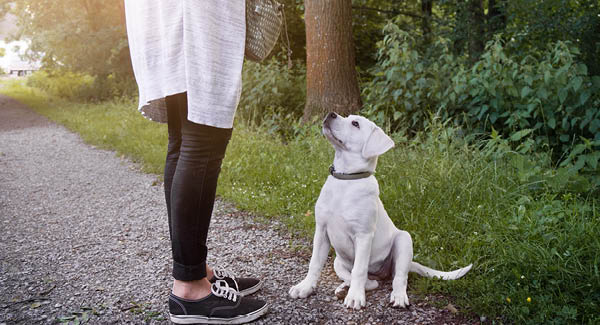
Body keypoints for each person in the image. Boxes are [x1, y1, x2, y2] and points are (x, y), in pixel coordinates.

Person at [123, 1, 268, 324]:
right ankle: (189, 289)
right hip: (194, 13)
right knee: (203, 139)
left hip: (164, 14)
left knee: (184, 139)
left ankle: (193, 269)